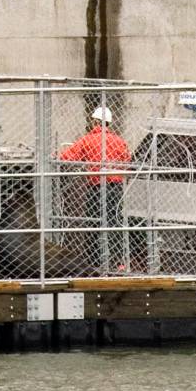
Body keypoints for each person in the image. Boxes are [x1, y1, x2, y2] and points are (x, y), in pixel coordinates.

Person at [59, 106, 131, 271]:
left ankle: (94, 261)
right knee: (114, 222)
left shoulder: (87, 140)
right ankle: (117, 262)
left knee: (94, 222)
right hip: (116, 187)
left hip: (96, 187)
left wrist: (54, 156)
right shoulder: (119, 141)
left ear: (95, 122)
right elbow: (127, 160)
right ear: (109, 124)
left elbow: (68, 156)